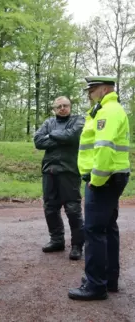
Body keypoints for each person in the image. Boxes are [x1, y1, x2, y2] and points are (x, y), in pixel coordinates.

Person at [68, 76, 130, 301]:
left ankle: (95, 285)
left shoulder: (108, 111)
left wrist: (96, 179)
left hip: (104, 178)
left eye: (92, 90)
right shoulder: (106, 109)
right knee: (108, 227)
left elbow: (104, 148)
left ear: (104, 89)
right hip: (112, 176)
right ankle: (108, 279)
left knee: (94, 230)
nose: (89, 94)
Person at [33, 96, 85, 260]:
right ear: (54, 109)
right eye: (59, 106)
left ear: (70, 107)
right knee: (50, 207)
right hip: (49, 171)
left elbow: (72, 137)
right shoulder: (48, 122)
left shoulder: (78, 120)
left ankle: (77, 245)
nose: (62, 108)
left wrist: (52, 136)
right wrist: (61, 138)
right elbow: (38, 141)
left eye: (65, 105)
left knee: (72, 209)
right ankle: (57, 240)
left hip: (69, 171)